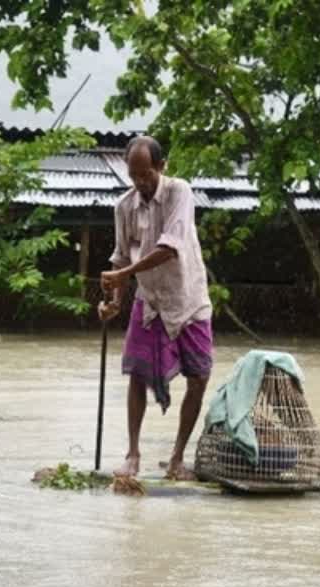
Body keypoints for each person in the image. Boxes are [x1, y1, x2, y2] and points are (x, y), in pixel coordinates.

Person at [98, 136, 213, 480]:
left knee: (199, 377)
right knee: (136, 372)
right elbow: (120, 255)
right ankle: (132, 454)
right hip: (149, 301)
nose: (140, 183)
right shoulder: (124, 207)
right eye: (133, 176)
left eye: (146, 175)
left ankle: (177, 458)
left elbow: (170, 247)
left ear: (161, 167)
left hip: (187, 297)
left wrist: (123, 274)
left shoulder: (180, 192)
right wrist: (113, 302)